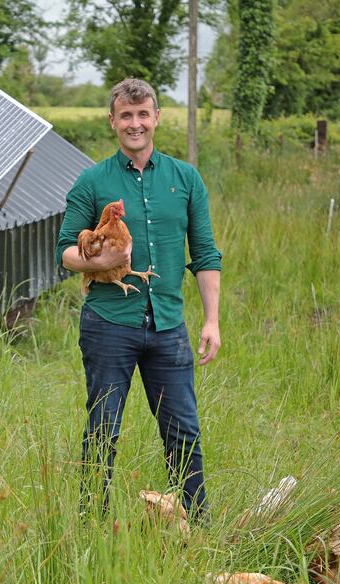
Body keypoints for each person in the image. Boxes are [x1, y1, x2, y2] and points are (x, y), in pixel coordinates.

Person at [55, 78, 222, 519]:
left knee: (183, 432)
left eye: (143, 114)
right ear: (113, 121)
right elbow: (65, 253)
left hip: (168, 325)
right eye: (126, 116)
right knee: (103, 429)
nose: (135, 123)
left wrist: (211, 320)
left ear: (156, 119)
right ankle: (92, 525)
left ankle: (198, 529)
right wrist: (98, 263)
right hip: (109, 323)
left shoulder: (185, 179)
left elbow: (204, 252)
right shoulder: (92, 181)